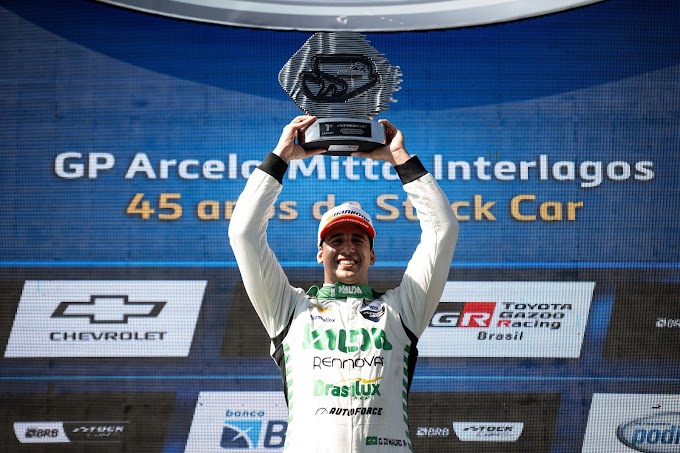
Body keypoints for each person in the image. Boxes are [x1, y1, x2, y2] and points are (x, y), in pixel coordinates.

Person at [229, 115, 458, 452]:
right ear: (320, 253)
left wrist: (402, 160)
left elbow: (443, 230)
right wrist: (279, 158)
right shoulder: (289, 310)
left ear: (372, 254)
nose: (347, 248)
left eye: (358, 240)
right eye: (336, 240)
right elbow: (244, 234)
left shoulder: (401, 310)